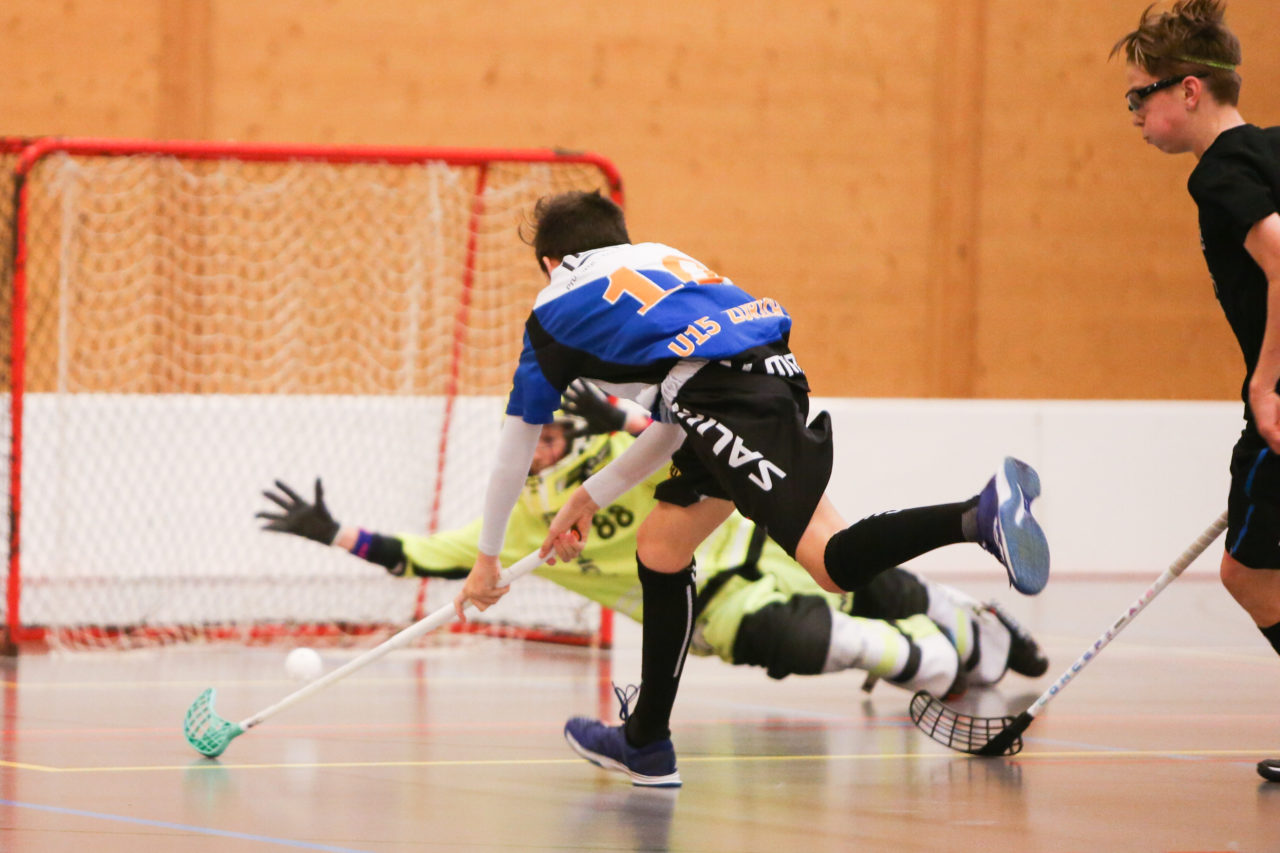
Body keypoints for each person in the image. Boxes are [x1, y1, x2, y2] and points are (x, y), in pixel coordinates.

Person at [452, 190, 1050, 786]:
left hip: (724, 394)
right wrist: (586, 499)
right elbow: (671, 426)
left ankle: (976, 514)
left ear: (550, 261)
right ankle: (646, 743)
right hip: (753, 376)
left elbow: (515, 450)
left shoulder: (553, 308)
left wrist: (486, 561)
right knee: (661, 548)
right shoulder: (657, 259)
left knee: (830, 562)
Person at [256, 386, 1048, 703]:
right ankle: (930, 660)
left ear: (566, 428)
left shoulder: (614, 450)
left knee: (876, 578)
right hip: (714, 603)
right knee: (816, 639)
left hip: (753, 543)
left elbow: (690, 439)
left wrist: (623, 420)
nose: (535, 444)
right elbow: (422, 552)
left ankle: (972, 624)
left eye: (544, 431)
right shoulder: (528, 517)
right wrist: (336, 533)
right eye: (523, 438)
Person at [1112, 0, 1280, 783]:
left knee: (1249, 573)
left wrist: (1267, 377)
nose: (1135, 115)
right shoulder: (1274, 150)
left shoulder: (1220, 173)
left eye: (1138, 95)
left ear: (1188, 90)